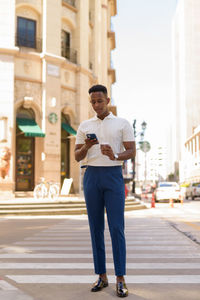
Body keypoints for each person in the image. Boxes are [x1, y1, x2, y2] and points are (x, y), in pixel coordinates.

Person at [74, 84, 136, 297]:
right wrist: (87, 146)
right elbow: (76, 156)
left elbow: (131, 151)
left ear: (107, 101)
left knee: (117, 228)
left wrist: (115, 155)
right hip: (91, 176)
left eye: (100, 101)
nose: (97, 105)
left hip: (113, 176)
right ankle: (101, 276)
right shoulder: (84, 125)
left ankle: (120, 278)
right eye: (93, 102)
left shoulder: (122, 123)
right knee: (95, 228)